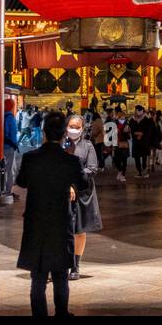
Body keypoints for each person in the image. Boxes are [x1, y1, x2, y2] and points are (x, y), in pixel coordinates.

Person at [15, 112, 88, 316]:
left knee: (38, 278)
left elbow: (20, 182)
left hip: (35, 223)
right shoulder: (70, 161)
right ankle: (61, 313)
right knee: (60, 276)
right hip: (60, 221)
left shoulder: (30, 158)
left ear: (44, 133)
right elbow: (82, 184)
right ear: (64, 134)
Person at [65, 114, 103, 280]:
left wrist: (74, 182)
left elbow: (92, 168)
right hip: (62, 192)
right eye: (71, 126)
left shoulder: (87, 146)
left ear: (82, 128)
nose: (73, 129)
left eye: (76, 127)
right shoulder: (60, 145)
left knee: (79, 230)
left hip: (82, 192)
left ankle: (75, 265)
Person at [129, 105, 153, 178]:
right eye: (137, 110)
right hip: (136, 141)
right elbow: (131, 129)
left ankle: (144, 170)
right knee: (137, 157)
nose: (138, 112)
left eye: (140, 110)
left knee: (144, 156)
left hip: (144, 141)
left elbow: (149, 129)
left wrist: (142, 134)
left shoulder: (147, 119)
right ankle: (139, 171)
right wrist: (136, 134)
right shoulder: (132, 119)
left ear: (142, 111)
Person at [3, 98, 21, 199]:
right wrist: (14, 145)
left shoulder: (5, 116)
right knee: (10, 170)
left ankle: (8, 190)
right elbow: (6, 134)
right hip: (9, 147)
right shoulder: (9, 117)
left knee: (10, 169)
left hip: (8, 146)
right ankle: (7, 191)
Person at [112, 109, 131, 182]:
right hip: (116, 144)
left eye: (123, 116)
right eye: (121, 116)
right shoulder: (115, 124)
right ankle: (120, 171)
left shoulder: (127, 124)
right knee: (116, 160)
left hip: (124, 144)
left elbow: (129, 137)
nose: (122, 117)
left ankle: (123, 174)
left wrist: (127, 131)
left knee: (124, 160)